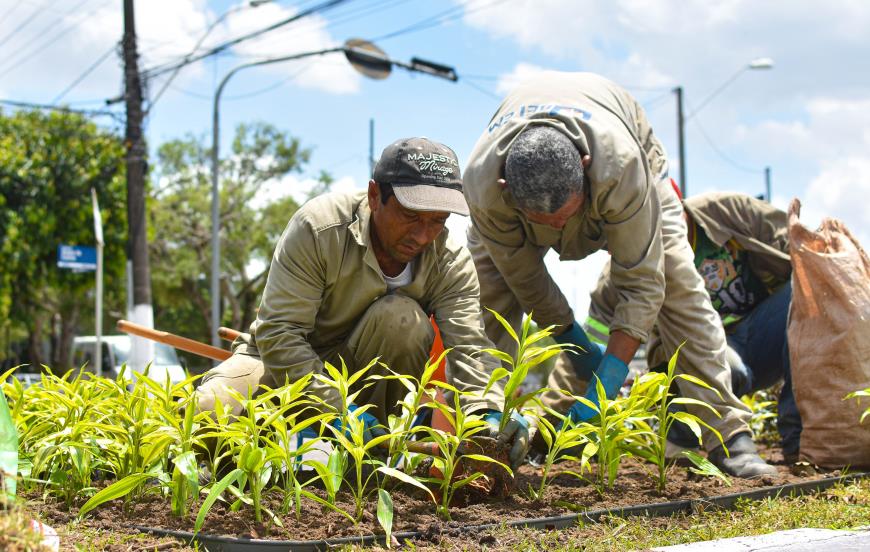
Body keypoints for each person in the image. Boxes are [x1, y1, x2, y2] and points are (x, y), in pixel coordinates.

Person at [463, 71, 776, 477]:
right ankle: (484, 428)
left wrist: (610, 375)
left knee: (677, 281)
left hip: (632, 150)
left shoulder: (621, 167)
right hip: (512, 201)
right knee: (487, 297)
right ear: (507, 189)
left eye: (567, 216)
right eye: (546, 223)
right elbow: (524, 280)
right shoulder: (485, 187)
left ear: (586, 168)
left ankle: (730, 435)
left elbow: (642, 280)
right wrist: (574, 343)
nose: (559, 233)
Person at [195, 137, 529, 467]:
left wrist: (489, 412)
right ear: (374, 196)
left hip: (366, 376)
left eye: (437, 220)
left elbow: (469, 348)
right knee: (210, 411)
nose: (423, 235)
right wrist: (336, 408)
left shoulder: (449, 259)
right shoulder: (321, 227)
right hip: (281, 362)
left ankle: (367, 465)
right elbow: (279, 333)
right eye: (411, 216)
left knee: (401, 318)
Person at [546, 191, 801, 462]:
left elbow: (801, 250)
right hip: (702, 357)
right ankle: (680, 436)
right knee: (726, 365)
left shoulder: (731, 213)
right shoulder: (621, 273)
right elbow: (589, 339)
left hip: (761, 335)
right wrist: (550, 418)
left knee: (802, 293)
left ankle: (799, 439)